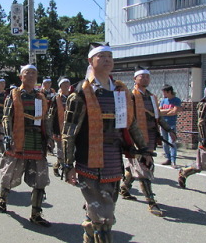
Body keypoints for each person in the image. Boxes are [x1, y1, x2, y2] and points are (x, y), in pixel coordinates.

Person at [62, 43, 148, 242]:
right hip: (88, 160)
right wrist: (67, 164)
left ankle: (89, 230)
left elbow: (130, 122)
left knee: (105, 205)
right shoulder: (81, 93)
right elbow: (69, 132)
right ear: (91, 61)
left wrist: (142, 147)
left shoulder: (120, 91)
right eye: (102, 56)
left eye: (110, 56)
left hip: (113, 160)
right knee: (104, 215)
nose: (107, 59)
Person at [0, 64, 51, 227]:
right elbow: (6, 118)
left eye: (34, 73)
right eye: (28, 73)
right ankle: (2, 197)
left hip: (36, 141)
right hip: (18, 139)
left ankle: (36, 213)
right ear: (21, 77)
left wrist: (48, 138)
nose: (31, 76)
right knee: (10, 174)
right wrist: (8, 137)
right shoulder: (13, 95)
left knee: (40, 178)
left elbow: (45, 119)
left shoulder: (40, 97)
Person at [119, 66, 175, 217]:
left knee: (137, 165)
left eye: (147, 77)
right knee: (144, 167)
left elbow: (158, 117)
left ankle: (124, 188)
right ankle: (151, 202)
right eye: (142, 76)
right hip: (136, 137)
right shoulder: (130, 96)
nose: (145, 79)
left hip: (150, 136)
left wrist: (169, 130)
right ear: (135, 79)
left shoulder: (152, 97)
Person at [47, 77, 71, 177]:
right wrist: (50, 131)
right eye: (64, 83)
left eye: (67, 83)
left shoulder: (72, 97)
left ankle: (57, 165)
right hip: (58, 129)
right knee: (61, 151)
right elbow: (50, 116)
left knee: (69, 151)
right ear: (60, 86)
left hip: (70, 130)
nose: (66, 85)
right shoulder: (56, 98)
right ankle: (66, 171)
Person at [159, 84, 182, 167]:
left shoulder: (176, 100)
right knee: (164, 143)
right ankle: (168, 158)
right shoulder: (163, 101)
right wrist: (168, 110)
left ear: (169, 92)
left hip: (171, 125)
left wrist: (165, 112)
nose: (163, 94)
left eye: (164, 92)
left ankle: (173, 160)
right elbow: (159, 112)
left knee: (172, 142)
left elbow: (174, 112)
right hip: (162, 124)